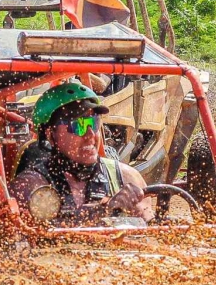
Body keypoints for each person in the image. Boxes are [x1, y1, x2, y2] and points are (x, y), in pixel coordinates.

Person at [10, 81, 153, 224]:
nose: (90, 134)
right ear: (51, 134)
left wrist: (142, 216)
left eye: (93, 123)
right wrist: (104, 209)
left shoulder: (127, 177)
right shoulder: (31, 185)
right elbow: (40, 232)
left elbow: (155, 233)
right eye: (79, 125)